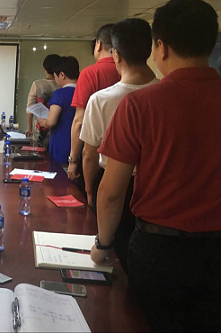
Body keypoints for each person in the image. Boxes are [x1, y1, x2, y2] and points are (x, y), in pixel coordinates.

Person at [91, 0, 221, 332]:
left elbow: (112, 192)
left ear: (162, 47)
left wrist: (103, 245)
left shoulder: (139, 105)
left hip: (160, 250)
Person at [79, 18, 157, 271]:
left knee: (111, 260)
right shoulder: (166, 94)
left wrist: (89, 190)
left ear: (116, 54)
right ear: (151, 50)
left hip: (112, 186)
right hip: (155, 188)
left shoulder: (101, 99)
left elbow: (89, 155)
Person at [68, 24, 120, 181]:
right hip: (126, 158)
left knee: (90, 195)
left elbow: (79, 121)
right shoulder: (127, 71)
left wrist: (73, 160)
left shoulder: (89, 74)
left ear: (99, 45)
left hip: (95, 158)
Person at [37, 57, 79, 166]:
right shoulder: (84, 92)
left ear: (62, 75)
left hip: (62, 147)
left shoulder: (60, 94)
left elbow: (51, 122)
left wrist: (42, 121)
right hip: (79, 148)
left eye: (55, 76)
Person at [25, 54, 61, 144]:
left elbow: (29, 108)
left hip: (40, 127)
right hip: (58, 126)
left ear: (45, 69)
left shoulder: (37, 84)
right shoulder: (61, 84)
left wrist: (29, 128)